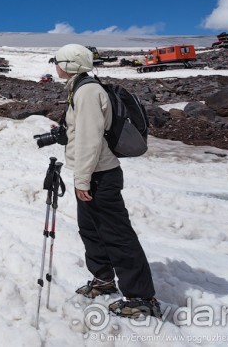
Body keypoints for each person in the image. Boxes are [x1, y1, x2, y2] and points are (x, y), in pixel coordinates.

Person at [53, 43, 160, 318]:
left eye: (59, 61)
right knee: (91, 230)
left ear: (71, 64)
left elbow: (90, 139)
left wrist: (82, 180)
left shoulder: (87, 91)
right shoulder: (80, 88)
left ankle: (141, 297)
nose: (56, 65)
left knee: (117, 235)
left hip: (99, 175)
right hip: (92, 174)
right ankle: (103, 280)